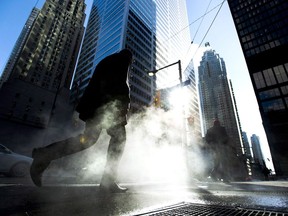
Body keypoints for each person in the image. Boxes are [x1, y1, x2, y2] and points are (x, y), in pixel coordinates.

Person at [30, 49, 133, 192]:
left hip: (97, 107)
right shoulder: (121, 61)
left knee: (88, 139)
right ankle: (108, 181)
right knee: (119, 139)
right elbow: (116, 86)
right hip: (107, 108)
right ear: (129, 58)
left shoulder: (108, 61)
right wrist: (117, 110)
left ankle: (45, 154)